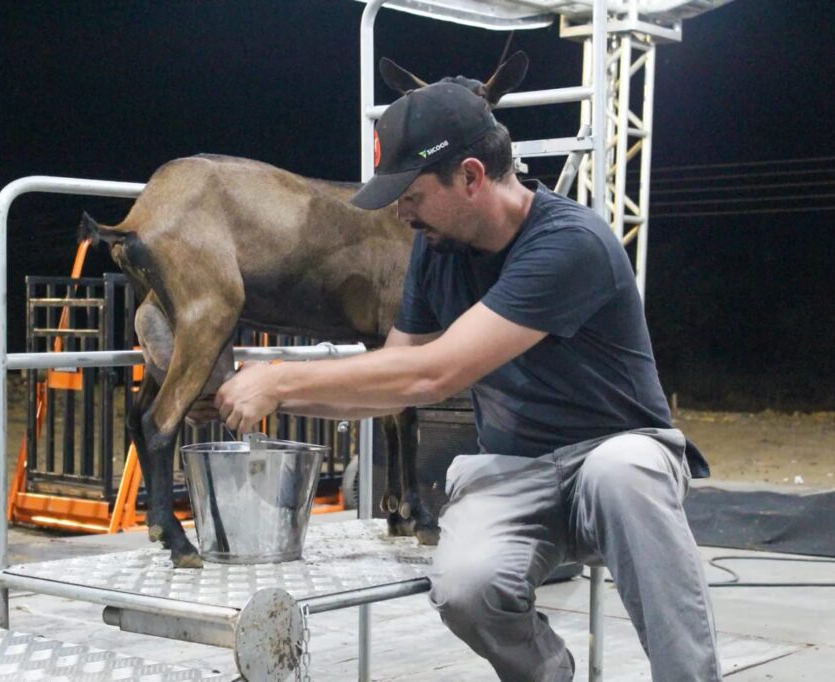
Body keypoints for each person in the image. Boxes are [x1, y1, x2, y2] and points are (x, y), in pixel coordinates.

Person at [215, 81, 722, 681]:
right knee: (464, 586)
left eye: (412, 195)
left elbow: (434, 373)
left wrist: (281, 381)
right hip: (515, 471)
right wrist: (264, 397)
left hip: (614, 457)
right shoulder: (437, 252)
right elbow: (395, 379)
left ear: (472, 177)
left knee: (623, 472)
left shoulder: (570, 243)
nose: (401, 215)